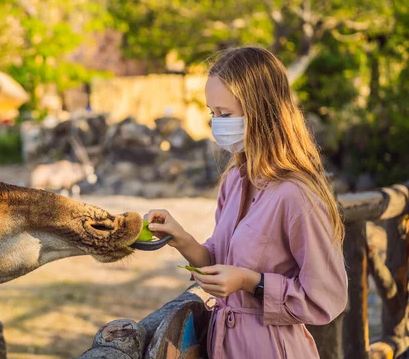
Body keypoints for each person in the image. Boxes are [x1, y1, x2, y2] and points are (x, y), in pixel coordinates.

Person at [145, 46, 348, 358]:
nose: (217, 123)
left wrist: (250, 282)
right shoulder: (234, 182)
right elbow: (220, 265)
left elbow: (326, 298)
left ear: (262, 111)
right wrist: (180, 237)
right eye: (213, 113)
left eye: (226, 114)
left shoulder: (296, 196)